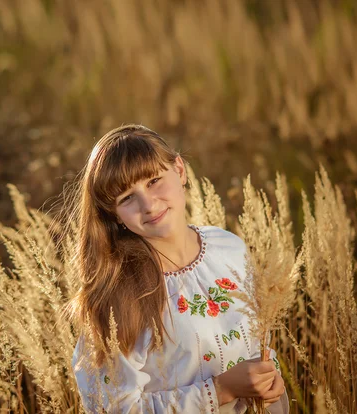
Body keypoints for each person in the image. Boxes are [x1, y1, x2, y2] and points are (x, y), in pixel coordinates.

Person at [62, 125, 289, 413]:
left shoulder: (229, 248)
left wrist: (271, 379)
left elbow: (260, 339)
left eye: (154, 180)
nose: (148, 203)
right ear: (114, 215)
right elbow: (113, 407)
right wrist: (221, 390)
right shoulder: (120, 295)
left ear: (180, 170)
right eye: (127, 198)